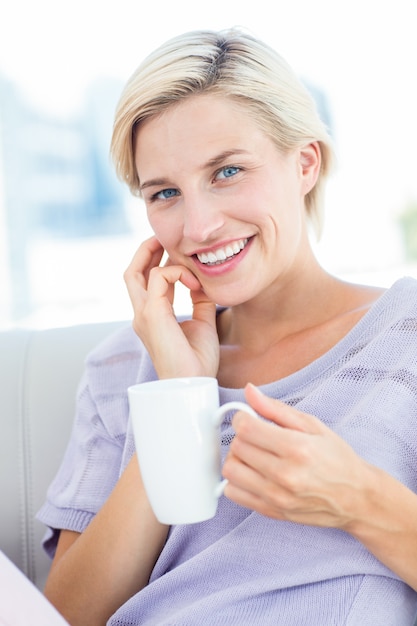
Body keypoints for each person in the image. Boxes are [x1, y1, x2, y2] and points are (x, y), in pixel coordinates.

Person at [37, 28, 417, 625]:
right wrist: (178, 398)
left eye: (227, 172)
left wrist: (361, 500)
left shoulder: (407, 338)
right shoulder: (122, 366)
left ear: (305, 163)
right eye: (164, 192)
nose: (200, 225)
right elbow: (63, 616)